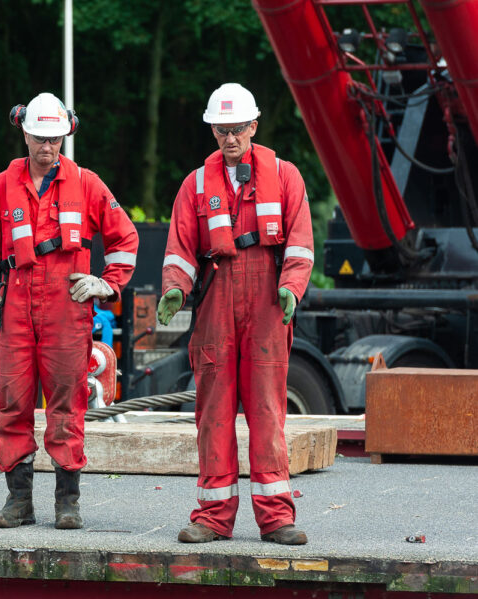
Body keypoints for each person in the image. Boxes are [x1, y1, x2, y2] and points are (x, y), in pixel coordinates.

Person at [0, 92, 138, 530]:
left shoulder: (87, 184)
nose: (48, 147)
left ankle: (68, 502)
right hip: (16, 311)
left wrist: (106, 283)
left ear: (67, 134)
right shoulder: (1, 187)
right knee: (12, 403)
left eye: (56, 139)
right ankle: (19, 501)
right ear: (24, 132)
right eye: (41, 138)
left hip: (67, 309)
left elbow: (125, 238)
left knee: (68, 402)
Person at [158, 83, 314, 545]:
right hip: (215, 303)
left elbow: (301, 243)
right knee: (214, 414)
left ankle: (276, 518)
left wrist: (290, 289)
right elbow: (181, 250)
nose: (230, 139)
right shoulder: (195, 184)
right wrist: (174, 290)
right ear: (213, 130)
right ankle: (212, 517)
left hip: (267, 301)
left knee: (267, 411)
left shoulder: (286, 177)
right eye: (222, 130)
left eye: (239, 130)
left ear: (254, 127)